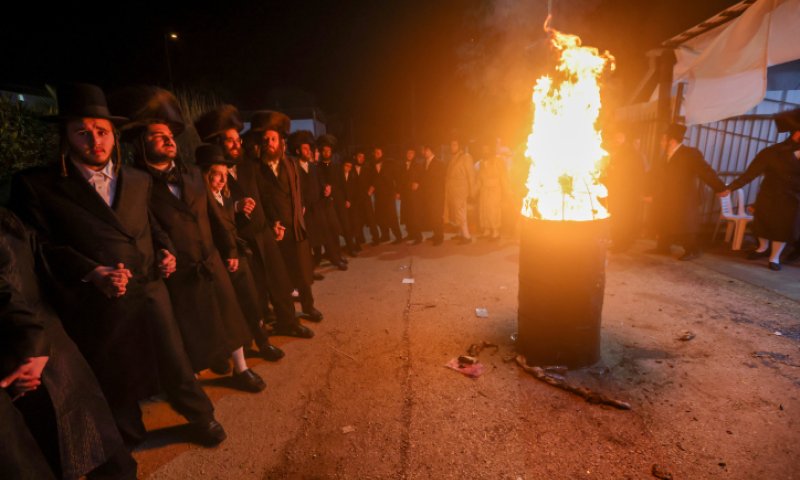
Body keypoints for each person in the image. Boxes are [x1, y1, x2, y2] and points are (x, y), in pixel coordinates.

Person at [10, 83, 224, 449]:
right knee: (117, 375)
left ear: (114, 135)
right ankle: (130, 434)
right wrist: (92, 272)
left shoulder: (137, 179)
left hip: (149, 289)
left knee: (175, 360)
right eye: (82, 132)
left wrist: (165, 249)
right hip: (93, 300)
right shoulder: (39, 185)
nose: (95, 140)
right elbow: (38, 246)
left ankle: (201, 417)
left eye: (102, 131)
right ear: (65, 137)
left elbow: (152, 225)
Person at [110, 86, 264, 392]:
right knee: (191, 326)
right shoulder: (135, 183)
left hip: (210, 258)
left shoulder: (193, 175)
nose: (169, 140)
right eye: (158, 136)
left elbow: (214, 215)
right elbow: (142, 227)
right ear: (141, 143)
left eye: (170, 135)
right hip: (178, 270)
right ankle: (193, 376)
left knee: (228, 315)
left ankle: (240, 368)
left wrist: (229, 249)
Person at [1, 208, 136, 480]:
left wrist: (95, 272)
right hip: (17, 355)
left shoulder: (7, 217)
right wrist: (31, 341)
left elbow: (39, 248)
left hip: (48, 345)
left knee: (103, 449)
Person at [195, 105, 314, 341]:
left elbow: (265, 196)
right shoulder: (208, 173)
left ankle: (288, 322)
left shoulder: (249, 165)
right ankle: (258, 334)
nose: (236, 144)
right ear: (217, 143)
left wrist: (275, 222)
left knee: (280, 281)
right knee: (255, 290)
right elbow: (209, 210)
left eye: (237, 139)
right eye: (229, 141)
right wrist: (235, 208)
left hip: (263, 232)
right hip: (240, 242)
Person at [195, 144, 285, 361]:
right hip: (221, 260)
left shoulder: (224, 199)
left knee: (251, 301)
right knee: (230, 309)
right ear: (204, 175)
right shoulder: (200, 202)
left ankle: (262, 342)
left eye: (225, 175)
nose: (222, 180)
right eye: (216, 175)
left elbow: (231, 226)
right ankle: (235, 350)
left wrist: (242, 212)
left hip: (238, 259)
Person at [240, 111, 324, 323]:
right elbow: (257, 199)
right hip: (271, 230)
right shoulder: (255, 169)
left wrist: (300, 210)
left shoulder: (291, 164)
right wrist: (271, 225)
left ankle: (308, 307)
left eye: (273, 139)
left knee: (303, 273)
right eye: (266, 139)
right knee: (279, 276)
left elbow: (300, 191)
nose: (269, 142)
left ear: (281, 142)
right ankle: (281, 313)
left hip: (294, 227)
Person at [727, 109, 800, 271]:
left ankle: (774, 258)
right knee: (763, 224)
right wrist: (731, 187)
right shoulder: (771, 152)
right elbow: (751, 173)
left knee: (782, 228)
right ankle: (761, 248)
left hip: (791, 198)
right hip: (768, 194)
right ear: (796, 133)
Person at [648, 123, 726, 261]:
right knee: (664, 221)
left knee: (685, 224)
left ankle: (693, 249)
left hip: (684, 197)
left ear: (670, 141)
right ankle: (663, 247)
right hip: (666, 196)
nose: (661, 142)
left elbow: (705, 171)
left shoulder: (690, 154)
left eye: (662, 139)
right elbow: (656, 175)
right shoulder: (665, 155)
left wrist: (720, 187)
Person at [289, 131, 347, 271]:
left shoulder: (314, 167)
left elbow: (321, 183)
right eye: (304, 148)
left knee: (327, 236)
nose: (308, 151)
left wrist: (326, 190)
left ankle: (335, 259)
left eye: (309, 148)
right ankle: (313, 267)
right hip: (306, 210)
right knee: (311, 241)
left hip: (319, 208)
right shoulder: (293, 168)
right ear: (297, 150)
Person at [605, 124, 646, 252]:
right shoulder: (619, 151)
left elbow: (635, 173)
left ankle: (622, 244)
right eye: (615, 137)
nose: (616, 139)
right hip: (617, 191)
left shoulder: (630, 153)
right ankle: (618, 242)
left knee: (624, 219)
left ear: (625, 138)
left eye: (620, 137)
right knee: (617, 217)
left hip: (626, 193)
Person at [317, 134, 358, 257]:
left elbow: (343, 184)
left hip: (339, 200)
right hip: (325, 202)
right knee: (331, 228)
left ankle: (350, 248)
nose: (326, 153)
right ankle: (333, 252)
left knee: (345, 224)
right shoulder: (318, 168)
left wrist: (347, 199)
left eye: (328, 150)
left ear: (331, 152)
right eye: (324, 151)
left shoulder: (337, 167)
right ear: (321, 152)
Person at [444, 137, 476, 244]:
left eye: (455, 145)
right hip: (453, 191)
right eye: (451, 145)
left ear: (459, 146)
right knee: (457, 214)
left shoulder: (466, 157)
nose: (452, 147)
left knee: (461, 213)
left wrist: (472, 191)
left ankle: (466, 236)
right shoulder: (454, 158)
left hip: (461, 190)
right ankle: (461, 233)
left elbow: (471, 175)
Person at [476, 140, 509, 241]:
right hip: (484, 190)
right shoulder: (481, 163)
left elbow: (503, 176)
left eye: (487, 150)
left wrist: (507, 190)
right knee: (484, 210)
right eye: (483, 150)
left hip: (495, 189)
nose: (485, 152)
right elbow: (479, 178)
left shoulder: (498, 161)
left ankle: (495, 232)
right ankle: (486, 231)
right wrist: (474, 190)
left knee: (493, 211)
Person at [369, 146, 403, 244]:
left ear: (382, 153)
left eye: (378, 152)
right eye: (375, 153)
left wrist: (398, 191)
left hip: (389, 193)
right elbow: (372, 179)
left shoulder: (389, 163)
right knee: (380, 216)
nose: (376, 154)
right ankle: (385, 235)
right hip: (378, 195)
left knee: (391, 215)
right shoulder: (372, 165)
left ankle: (398, 236)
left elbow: (397, 177)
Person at [416, 141, 446, 245]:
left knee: (437, 216)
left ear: (431, 151)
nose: (424, 152)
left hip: (436, 195)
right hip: (428, 194)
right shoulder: (425, 163)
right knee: (432, 216)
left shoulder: (439, 163)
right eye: (424, 150)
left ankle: (439, 237)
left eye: (426, 150)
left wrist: (439, 194)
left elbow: (441, 180)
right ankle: (435, 234)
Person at [352, 148, 380, 245]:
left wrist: (371, 189)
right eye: (360, 156)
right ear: (355, 157)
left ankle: (376, 238)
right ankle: (360, 239)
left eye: (363, 157)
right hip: (355, 198)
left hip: (365, 196)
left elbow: (375, 178)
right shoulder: (351, 168)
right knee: (357, 219)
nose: (362, 159)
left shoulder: (367, 167)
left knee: (370, 218)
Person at [398, 145, 423, 243]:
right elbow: (399, 179)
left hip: (414, 195)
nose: (409, 155)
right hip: (405, 194)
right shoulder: (403, 165)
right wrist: (398, 192)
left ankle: (418, 236)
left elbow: (422, 177)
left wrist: (418, 183)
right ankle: (410, 234)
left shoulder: (418, 165)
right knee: (407, 214)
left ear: (414, 154)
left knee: (414, 215)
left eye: (411, 153)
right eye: (408, 153)